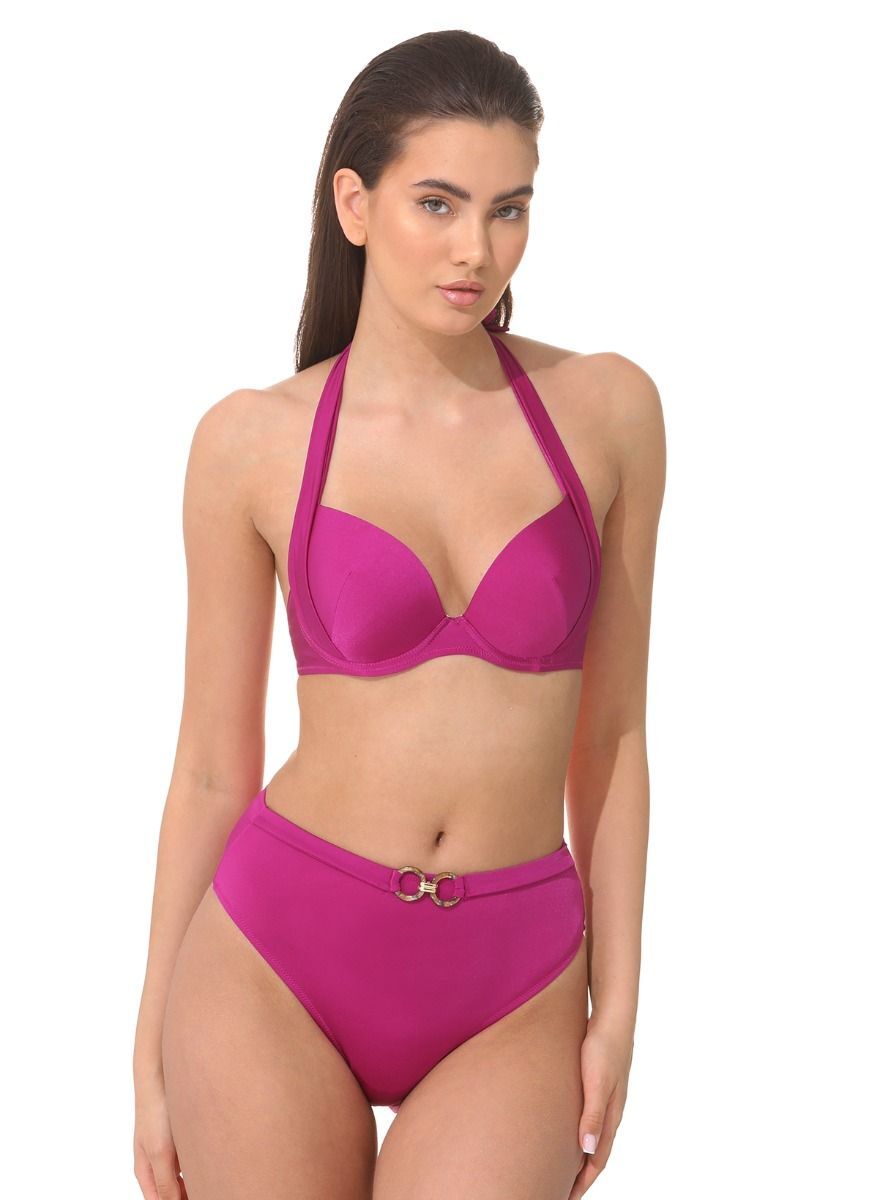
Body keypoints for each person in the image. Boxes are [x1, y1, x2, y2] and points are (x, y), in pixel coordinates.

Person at [132, 28, 665, 1200]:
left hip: (512, 983)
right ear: (354, 205)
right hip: (274, 961)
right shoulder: (251, 442)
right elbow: (212, 768)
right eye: (437, 203)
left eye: (508, 209)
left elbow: (614, 736)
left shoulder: (606, 412)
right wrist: (148, 1047)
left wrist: (617, 1010)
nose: (477, 249)